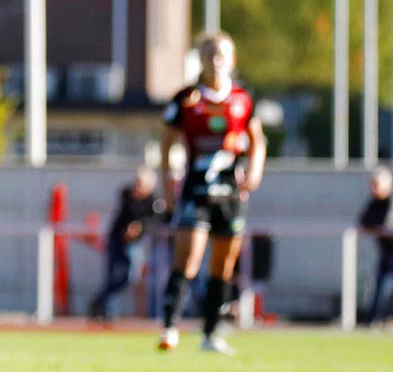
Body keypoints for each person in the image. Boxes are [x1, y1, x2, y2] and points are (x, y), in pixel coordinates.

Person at [157, 32, 266, 355]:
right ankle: (170, 326)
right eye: (209, 54)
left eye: (221, 54)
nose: (215, 60)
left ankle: (211, 332)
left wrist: (256, 170)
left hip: (230, 194)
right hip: (196, 190)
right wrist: (167, 181)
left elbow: (257, 139)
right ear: (200, 59)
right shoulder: (186, 99)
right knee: (187, 261)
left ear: (232, 60)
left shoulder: (243, 99)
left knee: (223, 266)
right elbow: (167, 141)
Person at [88, 168, 167, 323]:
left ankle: (100, 302)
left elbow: (153, 222)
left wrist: (139, 226)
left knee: (130, 276)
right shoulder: (127, 194)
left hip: (133, 245)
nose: (137, 186)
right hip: (116, 240)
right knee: (112, 275)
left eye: (141, 183)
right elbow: (129, 208)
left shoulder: (155, 202)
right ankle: (105, 310)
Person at [358, 166, 393, 329]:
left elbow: (387, 224)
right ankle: (372, 319)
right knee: (380, 284)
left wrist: (375, 227)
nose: (374, 188)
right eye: (372, 184)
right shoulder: (374, 203)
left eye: (376, 184)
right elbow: (363, 222)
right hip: (386, 249)